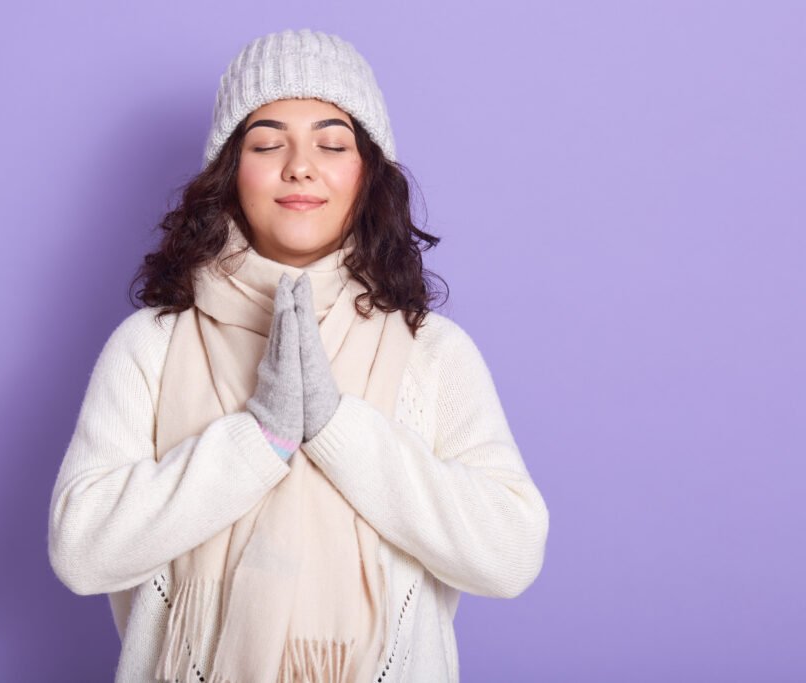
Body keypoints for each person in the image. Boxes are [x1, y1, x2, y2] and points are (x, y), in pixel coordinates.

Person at [48, 27, 549, 683]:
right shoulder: (153, 342)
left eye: (333, 142)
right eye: (267, 142)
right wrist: (260, 439)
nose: (300, 165)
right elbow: (82, 550)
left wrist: (339, 428)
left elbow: (508, 554)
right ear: (230, 173)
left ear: (368, 174)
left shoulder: (432, 351)